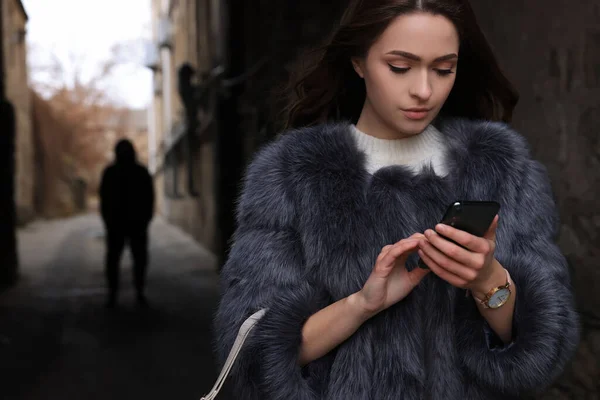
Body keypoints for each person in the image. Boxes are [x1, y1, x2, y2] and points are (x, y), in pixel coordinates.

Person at [213, 0, 580, 398]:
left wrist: (488, 281)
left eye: (444, 69)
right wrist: (361, 304)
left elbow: (546, 349)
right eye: (400, 67)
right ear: (358, 61)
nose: (423, 90)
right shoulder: (291, 175)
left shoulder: (503, 169)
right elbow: (250, 358)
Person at [99, 139, 155, 308]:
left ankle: (115, 294)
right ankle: (135, 292)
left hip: (122, 224)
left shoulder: (111, 172)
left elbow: (104, 199)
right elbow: (149, 198)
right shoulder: (140, 172)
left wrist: (109, 220)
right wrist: (144, 220)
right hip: (131, 224)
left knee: (118, 259)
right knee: (136, 259)